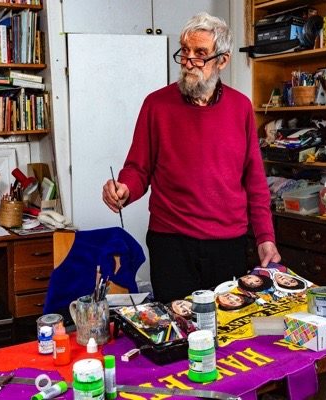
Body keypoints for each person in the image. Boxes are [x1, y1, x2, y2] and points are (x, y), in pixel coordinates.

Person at [102, 12, 280, 303]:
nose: (188, 62)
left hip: (228, 244)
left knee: (227, 323)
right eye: (184, 52)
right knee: (174, 324)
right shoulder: (156, 104)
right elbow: (138, 168)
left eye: (200, 54)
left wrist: (265, 237)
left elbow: (255, 182)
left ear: (222, 60)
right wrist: (124, 189)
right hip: (171, 243)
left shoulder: (241, 107)